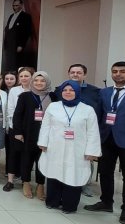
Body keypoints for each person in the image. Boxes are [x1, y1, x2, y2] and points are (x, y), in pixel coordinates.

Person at [85, 62, 125, 224]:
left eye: (122, 71)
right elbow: (99, 116)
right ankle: (106, 202)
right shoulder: (104, 92)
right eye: (114, 71)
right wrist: (95, 140)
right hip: (106, 138)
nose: (118, 74)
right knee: (105, 172)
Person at [38, 80, 100, 213]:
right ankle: (52, 201)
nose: (68, 92)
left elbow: (93, 132)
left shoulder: (87, 110)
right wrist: (43, 142)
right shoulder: (53, 107)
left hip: (77, 150)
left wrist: (92, 151)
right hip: (55, 147)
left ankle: (69, 205)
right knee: (54, 173)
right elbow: (46, 126)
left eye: (71, 90)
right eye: (65, 90)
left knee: (73, 175)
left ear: (77, 92)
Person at [12, 71, 54, 200]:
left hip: (47, 134)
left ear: (47, 82)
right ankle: (26, 182)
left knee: (43, 160)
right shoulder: (25, 96)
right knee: (27, 159)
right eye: (36, 80)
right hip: (28, 132)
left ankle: (40, 185)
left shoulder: (53, 96)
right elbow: (17, 115)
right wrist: (18, 132)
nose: (39, 83)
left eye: (42, 81)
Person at [4, 67, 34, 191]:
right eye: (21, 76)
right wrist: (16, 127)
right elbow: (10, 109)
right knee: (13, 153)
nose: (23, 78)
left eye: (26, 76)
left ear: (32, 77)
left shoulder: (36, 90)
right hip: (16, 127)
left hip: (31, 128)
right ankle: (10, 181)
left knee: (27, 155)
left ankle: (24, 180)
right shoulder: (14, 90)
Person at [2, 0, 33, 71]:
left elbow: (26, 32)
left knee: (17, 62)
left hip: (17, 44)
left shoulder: (26, 16)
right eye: (13, 5)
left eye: (16, 5)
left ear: (21, 5)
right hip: (9, 44)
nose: (14, 7)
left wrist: (21, 45)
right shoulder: (11, 16)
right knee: (9, 62)